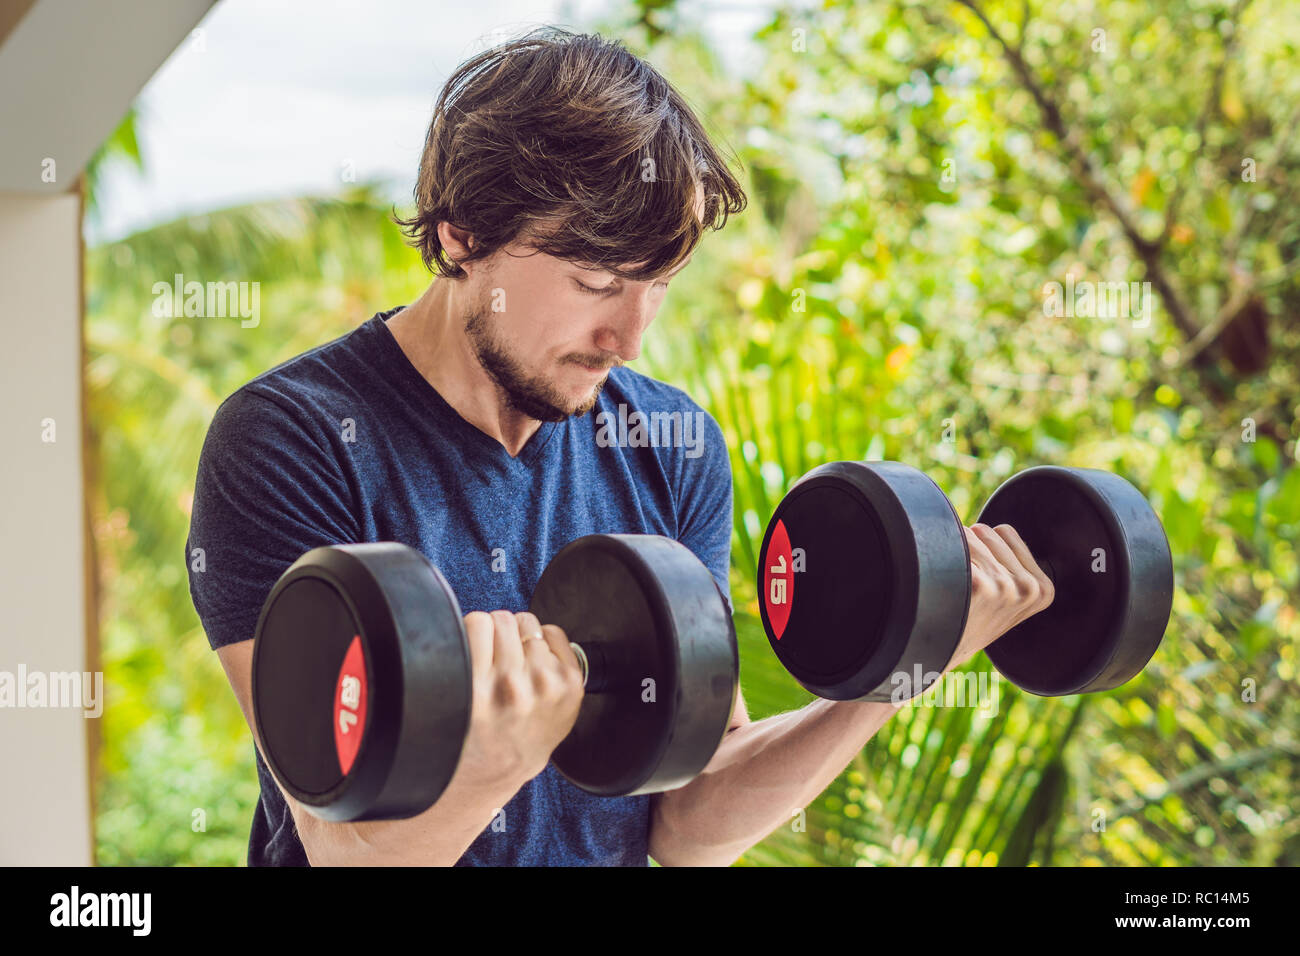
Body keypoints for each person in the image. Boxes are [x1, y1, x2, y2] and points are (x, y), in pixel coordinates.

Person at [185, 26, 1053, 867]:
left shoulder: (670, 447)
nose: (628, 339)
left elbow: (688, 823)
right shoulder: (290, 441)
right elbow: (347, 854)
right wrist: (496, 759)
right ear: (460, 235)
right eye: (594, 283)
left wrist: (901, 671)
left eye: (659, 288)